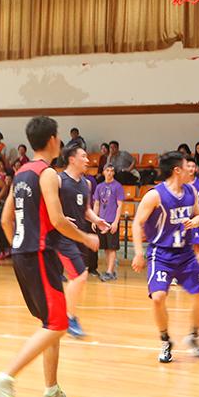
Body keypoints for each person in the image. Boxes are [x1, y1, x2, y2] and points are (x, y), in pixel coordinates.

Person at [0, 116, 99, 397]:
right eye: (58, 136)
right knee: (58, 324)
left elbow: (6, 220)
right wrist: (86, 238)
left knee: (52, 324)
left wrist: (20, 246)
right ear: (52, 140)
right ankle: (5, 378)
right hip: (38, 254)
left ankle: (52, 392)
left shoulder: (21, 173)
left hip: (23, 254)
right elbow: (59, 220)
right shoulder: (48, 174)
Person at [131, 151, 199, 364]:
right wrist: (138, 252)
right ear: (177, 170)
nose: (190, 170)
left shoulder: (191, 191)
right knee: (158, 298)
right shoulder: (154, 195)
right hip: (161, 253)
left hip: (184, 253)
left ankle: (193, 336)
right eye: (186, 166)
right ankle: (165, 340)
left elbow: (198, 212)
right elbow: (137, 223)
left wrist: (197, 220)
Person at [56, 145, 109, 339]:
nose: (88, 160)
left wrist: (96, 219)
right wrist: (59, 217)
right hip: (63, 236)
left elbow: (85, 209)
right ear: (72, 159)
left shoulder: (86, 184)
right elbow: (47, 206)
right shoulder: (58, 180)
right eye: (84, 156)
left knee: (76, 276)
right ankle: (68, 318)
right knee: (80, 276)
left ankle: (62, 316)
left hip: (79, 235)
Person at [93, 165, 125, 281]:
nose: (110, 173)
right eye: (107, 170)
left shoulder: (118, 186)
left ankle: (110, 271)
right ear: (103, 172)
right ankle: (110, 270)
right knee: (106, 248)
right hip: (102, 221)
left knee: (112, 248)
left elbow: (120, 205)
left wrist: (116, 222)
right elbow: (97, 204)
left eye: (112, 171)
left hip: (111, 221)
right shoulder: (99, 187)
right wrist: (94, 219)